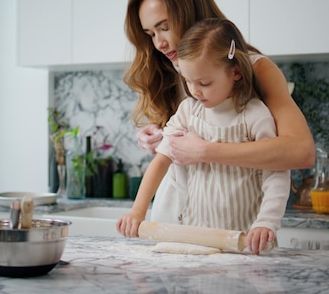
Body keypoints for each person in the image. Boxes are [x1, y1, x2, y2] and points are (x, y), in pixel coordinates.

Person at [121, 0, 314, 225]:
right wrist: (156, 136)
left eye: (164, 27)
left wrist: (205, 151)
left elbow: (300, 151)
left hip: (235, 222)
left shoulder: (257, 69)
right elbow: (179, 146)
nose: (158, 44)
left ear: (190, 12)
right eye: (151, 34)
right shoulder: (171, 67)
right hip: (173, 218)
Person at [117, 18, 290, 254]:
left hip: (246, 242)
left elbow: (276, 174)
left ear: (236, 72)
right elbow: (161, 161)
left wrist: (266, 222)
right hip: (196, 239)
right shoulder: (189, 111)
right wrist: (138, 210)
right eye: (188, 81)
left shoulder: (255, 116)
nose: (195, 91)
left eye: (204, 83)